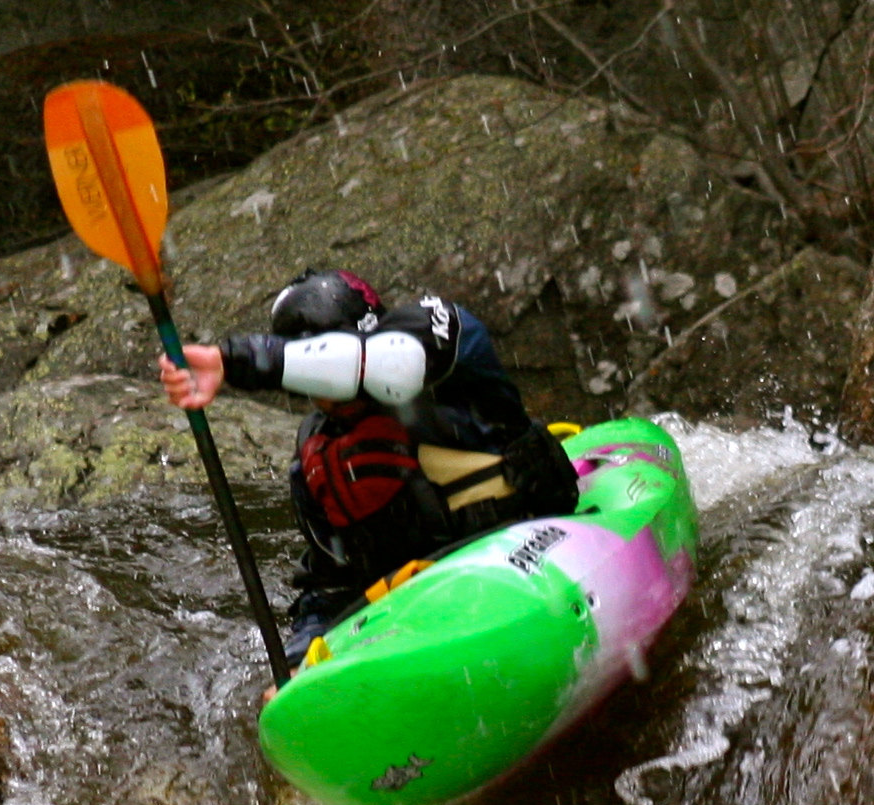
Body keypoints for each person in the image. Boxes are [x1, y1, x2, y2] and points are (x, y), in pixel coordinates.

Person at [158, 268, 581, 649]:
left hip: (534, 542)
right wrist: (300, 660)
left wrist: (233, 360)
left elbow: (390, 364)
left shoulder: (442, 342)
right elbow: (328, 587)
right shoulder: (318, 456)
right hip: (429, 601)